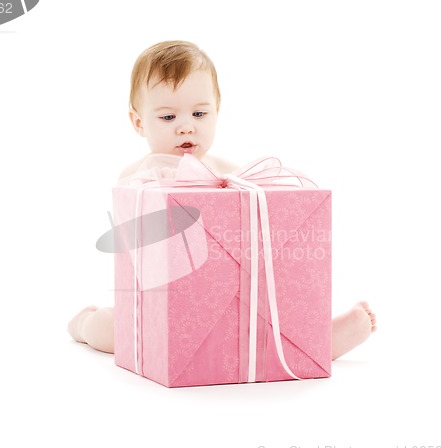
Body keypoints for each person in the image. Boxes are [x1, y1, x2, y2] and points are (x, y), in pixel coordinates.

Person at [68, 40, 376, 360]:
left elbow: (261, 209)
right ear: (138, 122)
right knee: (114, 327)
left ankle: (314, 339)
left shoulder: (226, 171)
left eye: (199, 113)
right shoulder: (142, 176)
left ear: (216, 112)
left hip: (230, 295)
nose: (186, 125)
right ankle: (86, 324)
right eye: (168, 117)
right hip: (162, 300)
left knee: (266, 309)